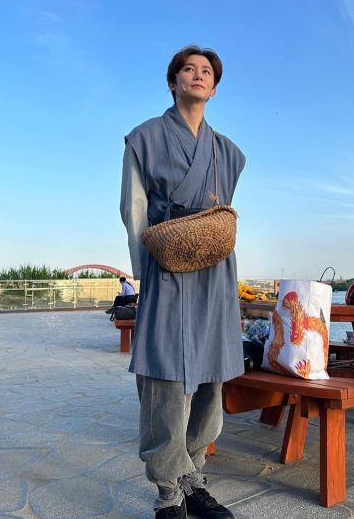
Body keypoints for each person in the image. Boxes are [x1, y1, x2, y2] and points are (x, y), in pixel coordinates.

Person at [120, 46, 245, 519]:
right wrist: (144, 271)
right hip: (166, 263)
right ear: (173, 82)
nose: (197, 75)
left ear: (214, 88)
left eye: (206, 71)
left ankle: (193, 477)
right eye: (187, 69)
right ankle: (168, 491)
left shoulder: (229, 152)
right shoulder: (144, 138)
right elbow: (133, 209)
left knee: (212, 371)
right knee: (165, 374)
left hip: (214, 267)